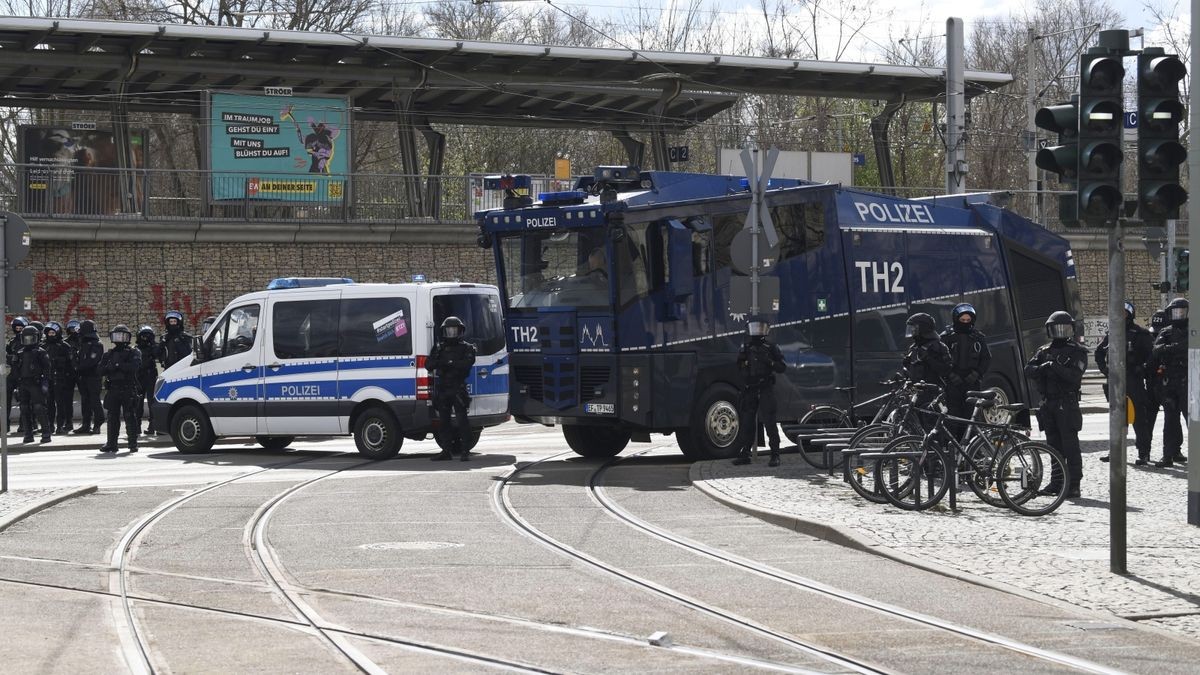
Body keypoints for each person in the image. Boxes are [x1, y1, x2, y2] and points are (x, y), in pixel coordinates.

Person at [1025, 311, 1087, 498]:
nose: (1060, 332)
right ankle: (1057, 482)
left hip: (1067, 403)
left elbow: (1074, 376)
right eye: (1056, 328)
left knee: (1070, 446)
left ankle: (1074, 484)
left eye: (1064, 328)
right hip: (1048, 403)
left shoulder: (1078, 351)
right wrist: (1042, 367)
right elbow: (1028, 370)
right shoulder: (1044, 351)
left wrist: (1054, 367)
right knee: (1053, 446)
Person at [1096, 302, 1155, 465]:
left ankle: (1144, 453)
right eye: (1118, 312)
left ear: (1130, 314)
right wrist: (1105, 370)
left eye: (1124, 313)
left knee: (1139, 418)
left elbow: (1151, 357)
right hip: (1115, 381)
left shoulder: (1140, 334)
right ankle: (1116, 451)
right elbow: (1099, 352)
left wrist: (1141, 369)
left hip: (1133, 380)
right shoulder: (1112, 333)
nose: (1121, 316)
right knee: (1116, 417)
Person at [732, 318, 788, 467]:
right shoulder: (746, 347)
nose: (757, 330)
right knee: (748, 423)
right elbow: (738, 366)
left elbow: (782, 367)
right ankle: (745, 453)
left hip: (765, 388)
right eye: (755, 327)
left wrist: (769, 362)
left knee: (770, 422)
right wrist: (744, 374)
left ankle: (775, 454)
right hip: (750, 389)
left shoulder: (770, 347)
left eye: (760, 327)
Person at [426, 316, 476, 461]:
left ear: (460, 331)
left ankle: (465, 450)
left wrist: (446, 363)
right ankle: (446, 451)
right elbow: (428, 364)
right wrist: (448, 362)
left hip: (457, 387)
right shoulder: (439, 347)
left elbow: (466, 364)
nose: (452, 333)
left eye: (454, 330)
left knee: (462, 420)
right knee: (443, 421)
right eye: (449, 330)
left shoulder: (467, 347)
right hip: (443, 387)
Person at [1148, 298, 1189, 468]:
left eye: (1182, 312)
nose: (1178, 315)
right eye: (1176, 312)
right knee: (1170, 420)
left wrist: (1171, 348)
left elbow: (1188, 348)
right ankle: (1168, 455)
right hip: (1170, 380)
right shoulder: (1166, 331)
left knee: (1192, 419)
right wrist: (1175, 347)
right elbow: (1156, 350)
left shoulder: (1192, 330)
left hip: (1188, 380)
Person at [940, 303, 991, 430]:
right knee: (952, 416)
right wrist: (950, 375)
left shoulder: (978, 337)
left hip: (972, 382)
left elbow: (986, 358)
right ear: (956, 319)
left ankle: (972, 447)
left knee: (971, 416)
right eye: (962, 320)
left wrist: (977, 374)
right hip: (952, 383)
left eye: (968, 320)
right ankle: (953, 447)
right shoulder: (946, 337)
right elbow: (940, 360)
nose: (965, 322)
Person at [98, 325, 141, 453]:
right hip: (113, 388)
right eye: (117, 336)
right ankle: (111, 443)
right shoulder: (109, 354)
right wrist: (111, 367)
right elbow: (100, 370)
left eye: (123, 336)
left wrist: (118, 365)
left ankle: (132, 444)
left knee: (129, 416)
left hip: (128, 388)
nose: (120, 339)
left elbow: (134, 367)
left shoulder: (134, 352)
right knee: (112, 417)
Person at [14, 324, 52, 444]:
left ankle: (46, 432)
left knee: (39, 408)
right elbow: (16, 370)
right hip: (23, 383)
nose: (29, 341)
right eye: (26, 338)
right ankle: (28, 433)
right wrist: (16, 385)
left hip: (36, 383)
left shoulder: (41, 352)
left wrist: (45, 383)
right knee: (24, 408)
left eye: (31, 338)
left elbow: (47, 368)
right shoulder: (20, 352)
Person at [73, 319, 104, 434]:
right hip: (84, 377)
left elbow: (91, 361)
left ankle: (98, 424)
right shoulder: (83, 344)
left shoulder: (97, 344)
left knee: (94, 401)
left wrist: (78, 367)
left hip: (93, 377)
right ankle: (86, 424)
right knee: (85, 401)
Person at [44, 322, 76, 435]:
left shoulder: (64, 346)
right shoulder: (44, 346)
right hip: (48, 379)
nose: (51, 335)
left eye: (53, 333)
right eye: (49, 333)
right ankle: (50, 425)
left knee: (61, 403)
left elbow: (71, 364)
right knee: (49, 404)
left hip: (61, 379)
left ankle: (60, 425)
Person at [134, 326, 161, 435]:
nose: (145, 338)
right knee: (138, 402)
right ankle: (137, 426)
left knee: (151, 402)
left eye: (147, 336)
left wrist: (153, 344)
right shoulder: (136, 348)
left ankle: (152, 426)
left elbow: (158, 354)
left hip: (150, 375)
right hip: (139, 376)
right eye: (143, 336)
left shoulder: (153, 347)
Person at [6, 316, 28, 432]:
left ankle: (23, 424)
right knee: (5, 400)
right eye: (17, 328)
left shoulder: (27, 341)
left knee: (23, 401)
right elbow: (7, 355)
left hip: (22, 373)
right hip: (12, 374)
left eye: (21, 328)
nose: (18, 330)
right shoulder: (12, 342)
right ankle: (5, 425)